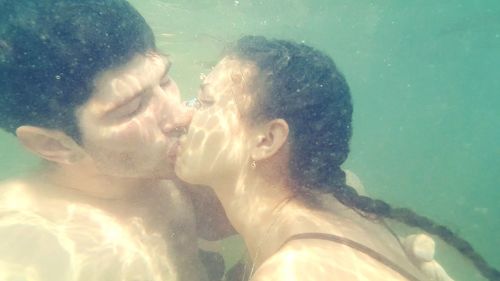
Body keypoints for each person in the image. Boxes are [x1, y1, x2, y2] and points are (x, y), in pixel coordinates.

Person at [175, 36, 500, 281]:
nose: (183, 115)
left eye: (204, 102)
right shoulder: (340, 203)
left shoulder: (292, 273)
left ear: (267, 139)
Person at [0, 0, 233, 280]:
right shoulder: (30, 256)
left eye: (165, 80)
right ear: (53, 145)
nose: (183, 115)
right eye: (132, 108)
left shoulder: (162, 170)